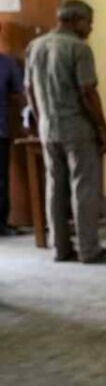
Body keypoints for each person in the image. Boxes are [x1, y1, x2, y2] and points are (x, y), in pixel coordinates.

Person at [25, 0, 106, 263]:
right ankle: (90, 249)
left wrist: (40, 118)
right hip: (77, 126)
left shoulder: (35, 47)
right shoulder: (79, 48)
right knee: (85, 187)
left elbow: (29, 90)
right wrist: (102, 128)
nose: (90, 27)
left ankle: (61, 248)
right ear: (76, 20)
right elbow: (87, 91)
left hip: (48, 126)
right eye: (89, 22)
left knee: (55, 186)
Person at [0, 22, 26, 235]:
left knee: (1, 178)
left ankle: (2, 223)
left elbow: (19, 95)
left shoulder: (7, 64)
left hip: (1, 129)